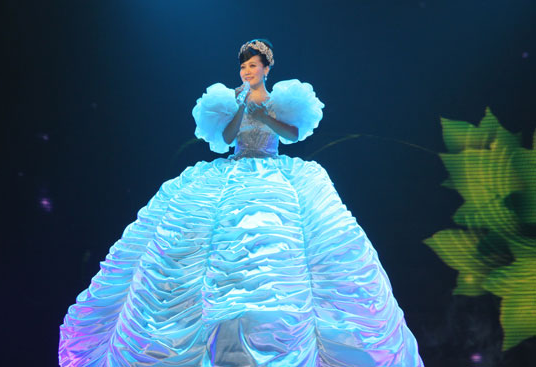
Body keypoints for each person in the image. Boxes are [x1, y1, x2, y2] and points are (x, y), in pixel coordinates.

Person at [59, 39, 424, 367]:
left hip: (273, 174)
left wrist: (265, 116)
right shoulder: (232, 98)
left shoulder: (280, 101)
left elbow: (293, 135)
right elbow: (227, 136)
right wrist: (240, 108)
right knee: (200, 247)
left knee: (281, 252)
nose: (247, 71)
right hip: (232, 172)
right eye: (243, 66)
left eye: (252, 65)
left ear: (266, 68)